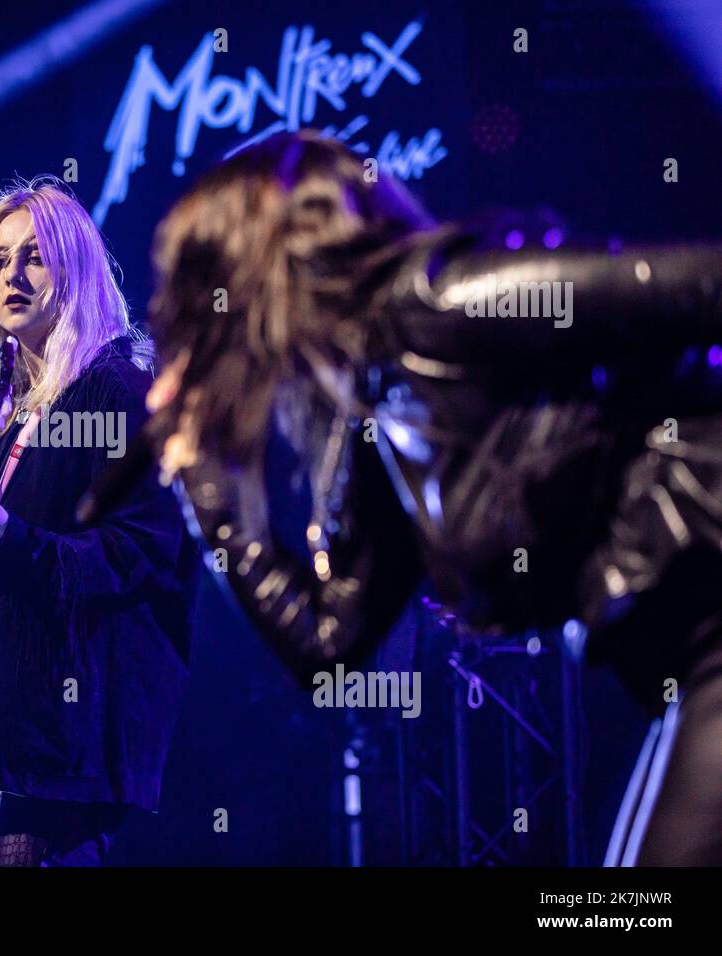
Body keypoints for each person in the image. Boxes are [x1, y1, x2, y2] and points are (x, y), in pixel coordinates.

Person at [140, 130, 722, 865]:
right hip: (685, 659)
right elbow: (328, 649)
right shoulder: (378, 407)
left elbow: (702, 285)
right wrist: (206, 479)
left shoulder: (443, 298)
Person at [0, 176, 198, 866]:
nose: (13, 274)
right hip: (6, 719)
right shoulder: (5, 408)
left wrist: (6, 542)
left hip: (69, 727)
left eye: (34, 256)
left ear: (76, 271)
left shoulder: (116, 390)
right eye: (1, 260)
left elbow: (137, 554)